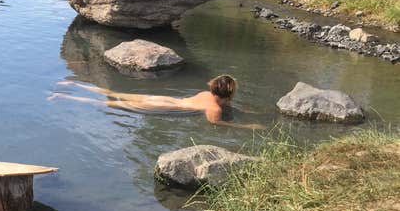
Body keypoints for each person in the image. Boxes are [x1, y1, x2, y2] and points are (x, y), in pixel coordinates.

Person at [49, 75, 264, 129]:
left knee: (112, 92)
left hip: (162, 98)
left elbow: (227, 105)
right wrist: (246, 125)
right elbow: (216, 123)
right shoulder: (214, 109)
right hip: (160, 106)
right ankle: (63, 97)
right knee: (108, 104)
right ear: (228, 94)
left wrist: (247, 113)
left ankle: (73, 85)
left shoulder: (204, 95)